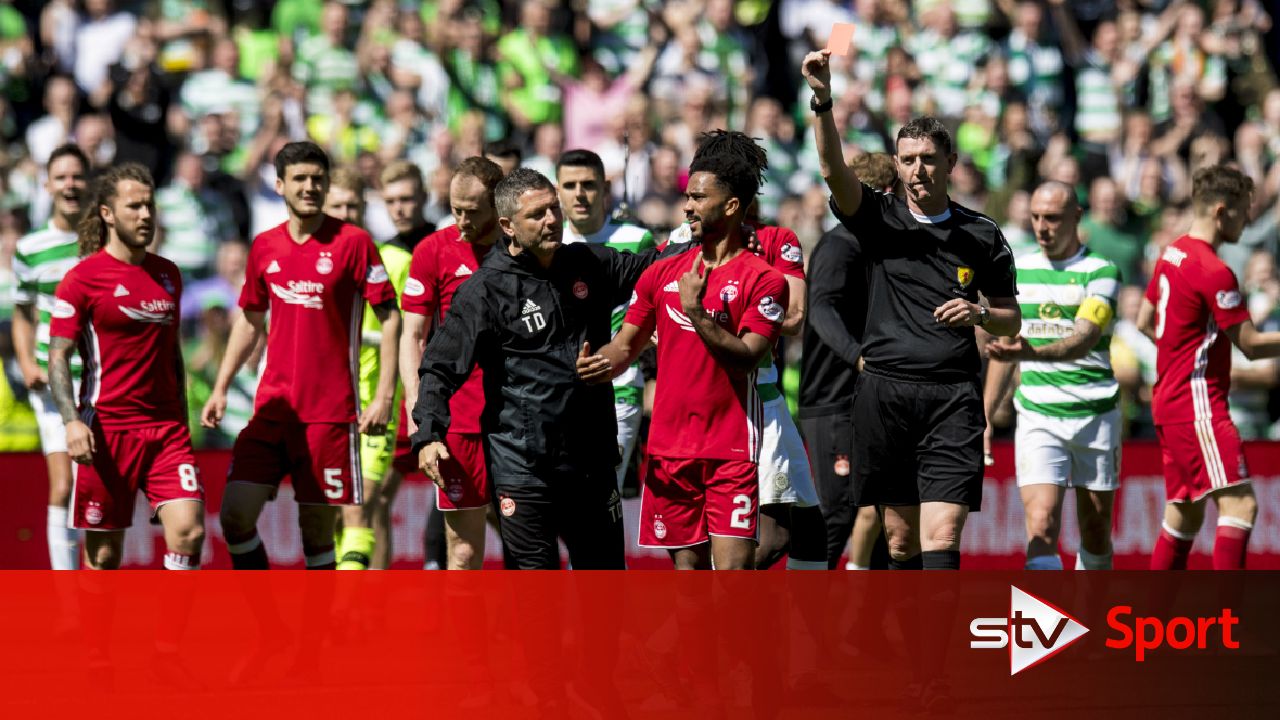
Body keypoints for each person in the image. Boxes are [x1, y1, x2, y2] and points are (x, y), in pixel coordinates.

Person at [803, 49, 1021, 570]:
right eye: (908, 160)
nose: (918, 169)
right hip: (885, 395)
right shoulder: (878, 219)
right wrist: (824, 101)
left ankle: (936, 654)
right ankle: (911, 647)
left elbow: (1012, 317)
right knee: (900, 542)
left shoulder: (982, 233)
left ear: (950, 163)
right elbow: (833, 170)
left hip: (953, 398)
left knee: (943, 531)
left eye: (928, 158)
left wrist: (981, 317)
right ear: (896, 166)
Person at [411, 168, 659, 570]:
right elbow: (439, 367)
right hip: (523, 468)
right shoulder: (483, 291)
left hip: (591, 462)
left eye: (553, 209)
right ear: (507, 225)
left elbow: (658, 268)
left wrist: (721, 240)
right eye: (538, 214)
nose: (552, 220)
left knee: (607, 590)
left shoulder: (587, 263)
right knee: (536, 593)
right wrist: (428, 434)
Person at [584, 144, 790, 571]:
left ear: (732, 206)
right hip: (669, 449)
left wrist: (696, 313)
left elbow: (748, 358)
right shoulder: (661, 273)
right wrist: (596, 365)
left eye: (699, 198)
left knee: (733, 579)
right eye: (688, 197)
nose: (688, 206)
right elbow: (625, 347)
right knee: (688, 580)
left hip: (731, 449)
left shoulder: (765, 280)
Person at [201, 141, 400, 570]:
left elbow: (391, 317)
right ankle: (268, 623)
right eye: (300, 179)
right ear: (279, 185)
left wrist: (384, 396)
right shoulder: (265, 246)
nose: (310, 187)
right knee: (235, 515)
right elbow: (249, 319)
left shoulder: (354, 243)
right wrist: (220, 386)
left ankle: (316, 634)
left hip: (329, 415)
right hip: (273, 409)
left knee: (316, 531)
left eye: (317, 179)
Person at [669, 131, 826, 570]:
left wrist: (756, 288)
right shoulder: (681, 241)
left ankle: (796, 630)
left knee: (806, 527)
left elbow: (794, 317)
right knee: (750, 539)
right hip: (706, 402)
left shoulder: (776, 241)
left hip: (762, 397)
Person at [46, 162, 205, 570]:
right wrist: (70, 421)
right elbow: (58, 355)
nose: (146, 215)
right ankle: (97, 637)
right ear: (107, 214)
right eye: (134, 207)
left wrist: (182, 422)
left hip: (166, 431)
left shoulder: (168, 273)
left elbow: (173, 355)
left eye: (150, 206)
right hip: (107, 430)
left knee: (189, 531)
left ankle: (169, 637)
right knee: (103, 556)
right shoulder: (81, 280)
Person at [1137, 165, 1280, 570]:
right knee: (1241, 505)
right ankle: (1226, 625)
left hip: (1170, 400)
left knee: (1184, 515)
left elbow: (1145, 321)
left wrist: (1179, 353)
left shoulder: (1172, 252)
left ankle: (1153, 623)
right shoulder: (1214, 271)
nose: (1248, 219)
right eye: (1243, 210)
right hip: (1197, 403)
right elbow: (1250, 345)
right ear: (1222, 211)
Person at [984, 181, 1122, 571]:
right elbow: (1003, 351)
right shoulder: (1018, 270)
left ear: (1076, 217)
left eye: (1053, 218)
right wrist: (986, 416)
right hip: (1038, 416)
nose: (1043, 227)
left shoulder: (1101, 271)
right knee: (1041, 525)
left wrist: (1032, 352)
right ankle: (1046, 630)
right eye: (1036, 217)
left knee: (1095, 531)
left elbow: (1083, 339)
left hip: (1096, 416)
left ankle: (1090, 625)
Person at [399, 156, 505, 570]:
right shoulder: (433, 251)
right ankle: (462, 636)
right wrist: (416, 408)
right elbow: (413, 335)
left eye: (471, 211)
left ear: (497, 206)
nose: (461, 220)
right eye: (455, 208)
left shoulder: (522, 251)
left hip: (515, 422)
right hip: (458, 421)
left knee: (528, 543)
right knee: (461, 550)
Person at [800, 151, 895, 570]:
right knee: (837, 513)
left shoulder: (878, 249)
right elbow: (820, 310)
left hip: (868, 398)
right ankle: (795, 616)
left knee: (881, 514)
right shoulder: (840, 246)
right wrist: (859, 358)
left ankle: (861, 623)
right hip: (834, 402)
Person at [323, 166, 413, 570]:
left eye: (353, 206)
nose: (346, 214)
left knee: (368, 501)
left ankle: (366, 613)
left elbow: (413, 334)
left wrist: (394, 396)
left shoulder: (394, 260)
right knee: (336, 513)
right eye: (337, 206)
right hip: (325, 408)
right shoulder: (310, 266)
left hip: (378, 405)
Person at [555, 149, 654, 493]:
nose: (579, 193)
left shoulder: (635, 239)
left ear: (605, 187)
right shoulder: (549, 244)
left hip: (619, 389)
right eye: (570, 185)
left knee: (600, 497)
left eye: (588, 184)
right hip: (556, 394)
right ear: (557, 191)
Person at [11, 144, 89, 570]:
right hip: (51, 384)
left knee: (91, 488)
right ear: (47, 184)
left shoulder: (103, 246)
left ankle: (95, 588)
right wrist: (27, 363)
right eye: (61, 177)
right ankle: (66, 596)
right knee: (62, 486)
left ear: (89, 182)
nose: (70, 185)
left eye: (76, 176)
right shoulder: (31, 247)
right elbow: (23, 314)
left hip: (97, 383)